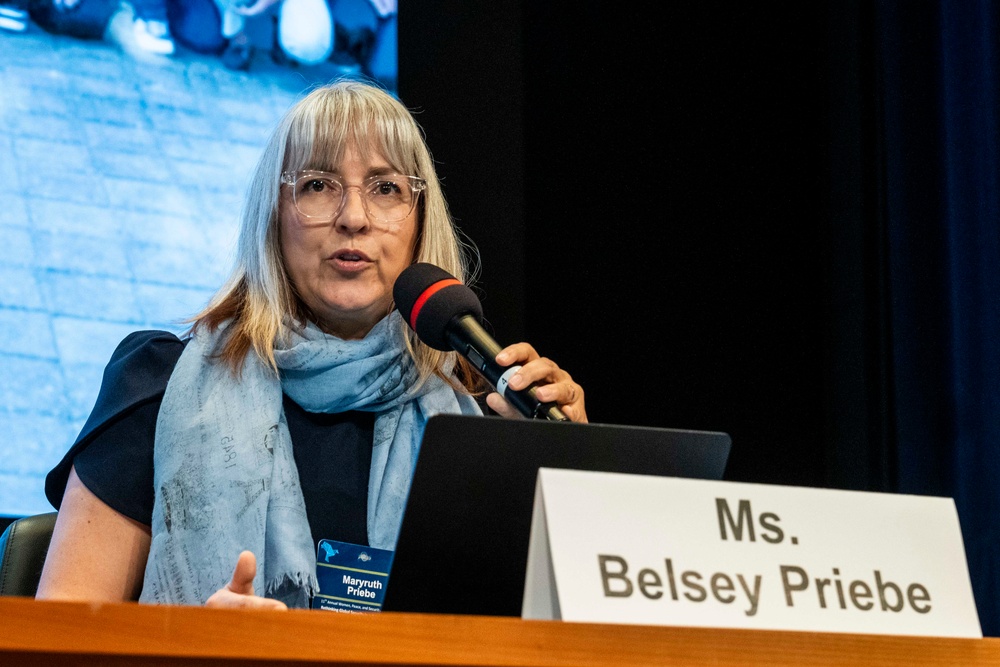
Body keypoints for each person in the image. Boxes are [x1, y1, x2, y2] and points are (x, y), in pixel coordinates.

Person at [35, 78, 587, 610]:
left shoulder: (482, 412)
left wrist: (567, 470)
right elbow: (56, 645)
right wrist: (191, 646)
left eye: (386, 188)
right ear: (273, 215)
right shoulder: (157, 388)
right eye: (317, 185)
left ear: (420, 221)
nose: (353, 218)